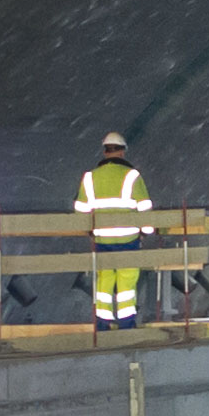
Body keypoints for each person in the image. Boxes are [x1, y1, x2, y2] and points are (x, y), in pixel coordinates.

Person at [75, 131, 154, 324]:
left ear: (105, 152)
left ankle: (103, 326)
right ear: (122, 152)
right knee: (127, 285)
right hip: (128, 241)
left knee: (104, 284)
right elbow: (145, 208)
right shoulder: (132, 176)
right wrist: (146, 231)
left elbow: (80, 211)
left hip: (102, 241)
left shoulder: (89, 178)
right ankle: (126, 326)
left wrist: (91, 232)